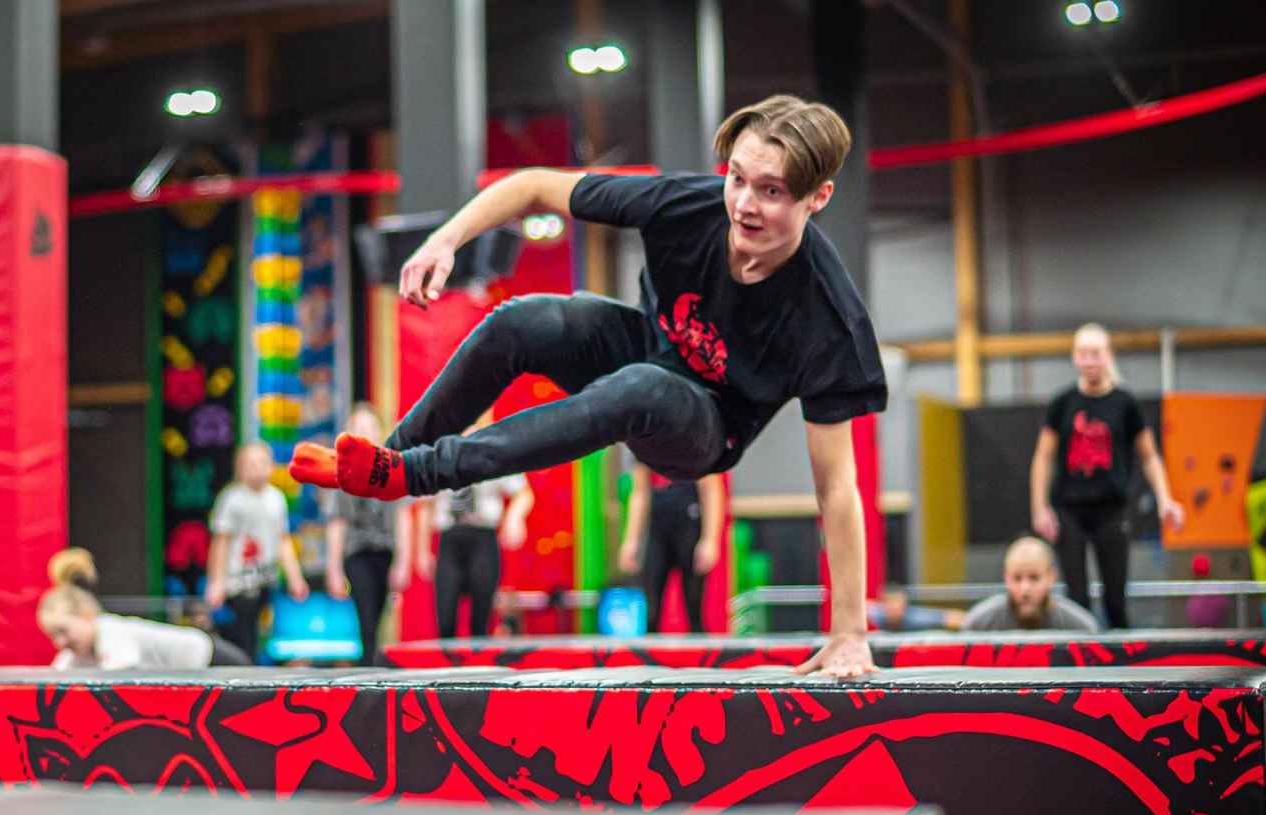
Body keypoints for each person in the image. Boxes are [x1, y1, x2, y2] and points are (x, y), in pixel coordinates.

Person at [291, 95, 884, 676]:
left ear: (818, 197)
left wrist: (849, 632)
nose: (744, 206)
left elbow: (837, 487)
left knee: (641, 388)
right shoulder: (686, 204)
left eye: (772, 191)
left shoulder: (828, 318)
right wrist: (445, 239)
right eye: (737, 179)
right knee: (526, 320)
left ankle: (421, 471)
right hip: (643, 347)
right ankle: (391, 460)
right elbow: (531, 186)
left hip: (705, 429)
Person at [1029, 323, 1185, 628]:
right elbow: (1043, 457)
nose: (1089, 360)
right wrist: (1039, 507)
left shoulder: (1125, 403)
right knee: (1077, 600)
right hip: (1069, 508)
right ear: (1074, 357)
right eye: (1083, 353)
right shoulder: (1063, 403)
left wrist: (1166, 499)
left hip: (1111, 508)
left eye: (1095, 353)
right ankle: (1078, 669)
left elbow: (1150, 456)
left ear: (1107, 356)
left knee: (1115, 598)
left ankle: (1118, 668)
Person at [415, 414, 534, 638]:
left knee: (481, 619)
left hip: (483, 537)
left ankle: (479, 668)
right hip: (450, 539)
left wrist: (514, 517)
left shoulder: (494, 454)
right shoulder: (438, 454)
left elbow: (524, 494)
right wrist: (421, 551)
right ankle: (447, 668)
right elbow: (425, 505)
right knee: (445, 616)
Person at [37, 547, 250, 669]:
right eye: (52, 636)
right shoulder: (77, 652)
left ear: (87, 615)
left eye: (63, 631)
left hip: (215, 661)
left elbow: (120, 676)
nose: (60, 642)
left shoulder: (110, 631)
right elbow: (58, 675)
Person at [324, 403, 414, 665]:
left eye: (370, 427)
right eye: (358, 428)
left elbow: (403, 517)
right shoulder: (340, 472)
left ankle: (374, 663)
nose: (364, 433)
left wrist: (403, 562)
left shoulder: (395, 466)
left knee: (381, 613)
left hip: (385, 551)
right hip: (357, 552)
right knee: (365, 611)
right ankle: (368, 666)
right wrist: (334, 569)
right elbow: (337, 524)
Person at [206, 443, 309, 660]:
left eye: (261, 462)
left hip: (266, 579)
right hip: (238, 582)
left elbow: (283, 541)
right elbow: (221, 542)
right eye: (250, 463)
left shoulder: (276, 498)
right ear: (239, 468)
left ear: (271, 466)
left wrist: (295, 578)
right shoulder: (232, 499)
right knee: (244, 633)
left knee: (261, 632)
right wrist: (216, 582)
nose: (256, 468)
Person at [617, 458, 724, 634]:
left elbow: (711, 490)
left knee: (693, 603)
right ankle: (648, 656)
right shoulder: (643, 442)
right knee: (651, 604)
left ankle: (699, 656)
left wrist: (710, 540)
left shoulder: (693, 440)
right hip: (658, 527)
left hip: (690, 523)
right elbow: (639, 492)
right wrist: (631, 541)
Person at [962, 537, 1099, 632]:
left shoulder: (1082, 629)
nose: (1025, 589)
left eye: (1034, 578)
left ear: (1051, 577)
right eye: (1017, 578)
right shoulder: (978, 625)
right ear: (1006, 578)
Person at [869, 583, 964, 632]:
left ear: (904, 605)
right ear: (883, 604)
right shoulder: (874, 614)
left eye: (897, 605)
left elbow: (952, 617)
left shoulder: (917, 617)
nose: (893, 609)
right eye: (889, 604)